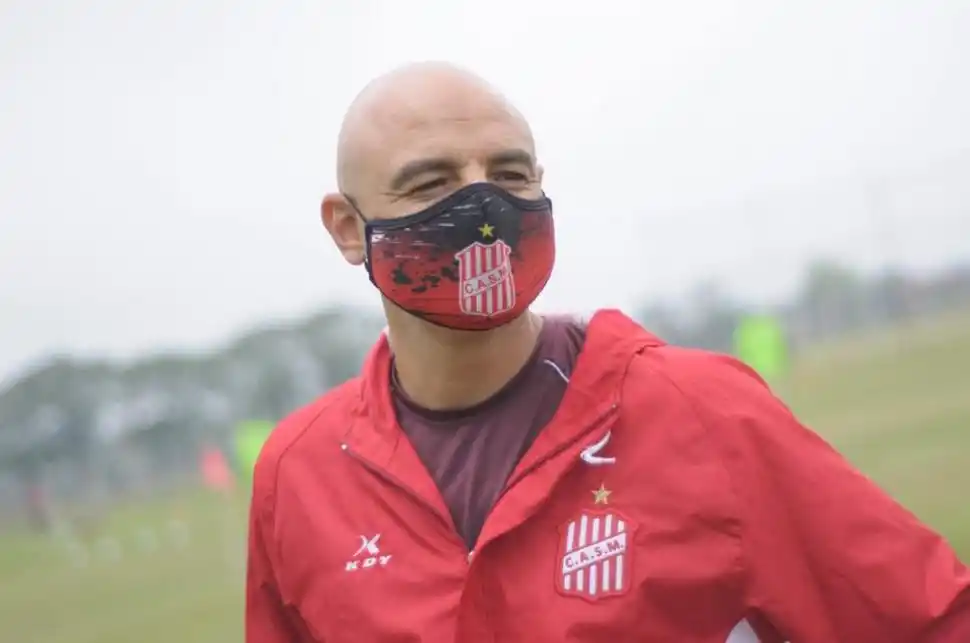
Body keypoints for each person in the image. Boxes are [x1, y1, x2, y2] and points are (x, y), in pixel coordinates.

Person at [245, 62, 970, 642]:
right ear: (347, 227)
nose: (485, 207)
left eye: (510, 173)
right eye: (431, 182)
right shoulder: (297, 476)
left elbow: (929, 620)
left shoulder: (699, 411)